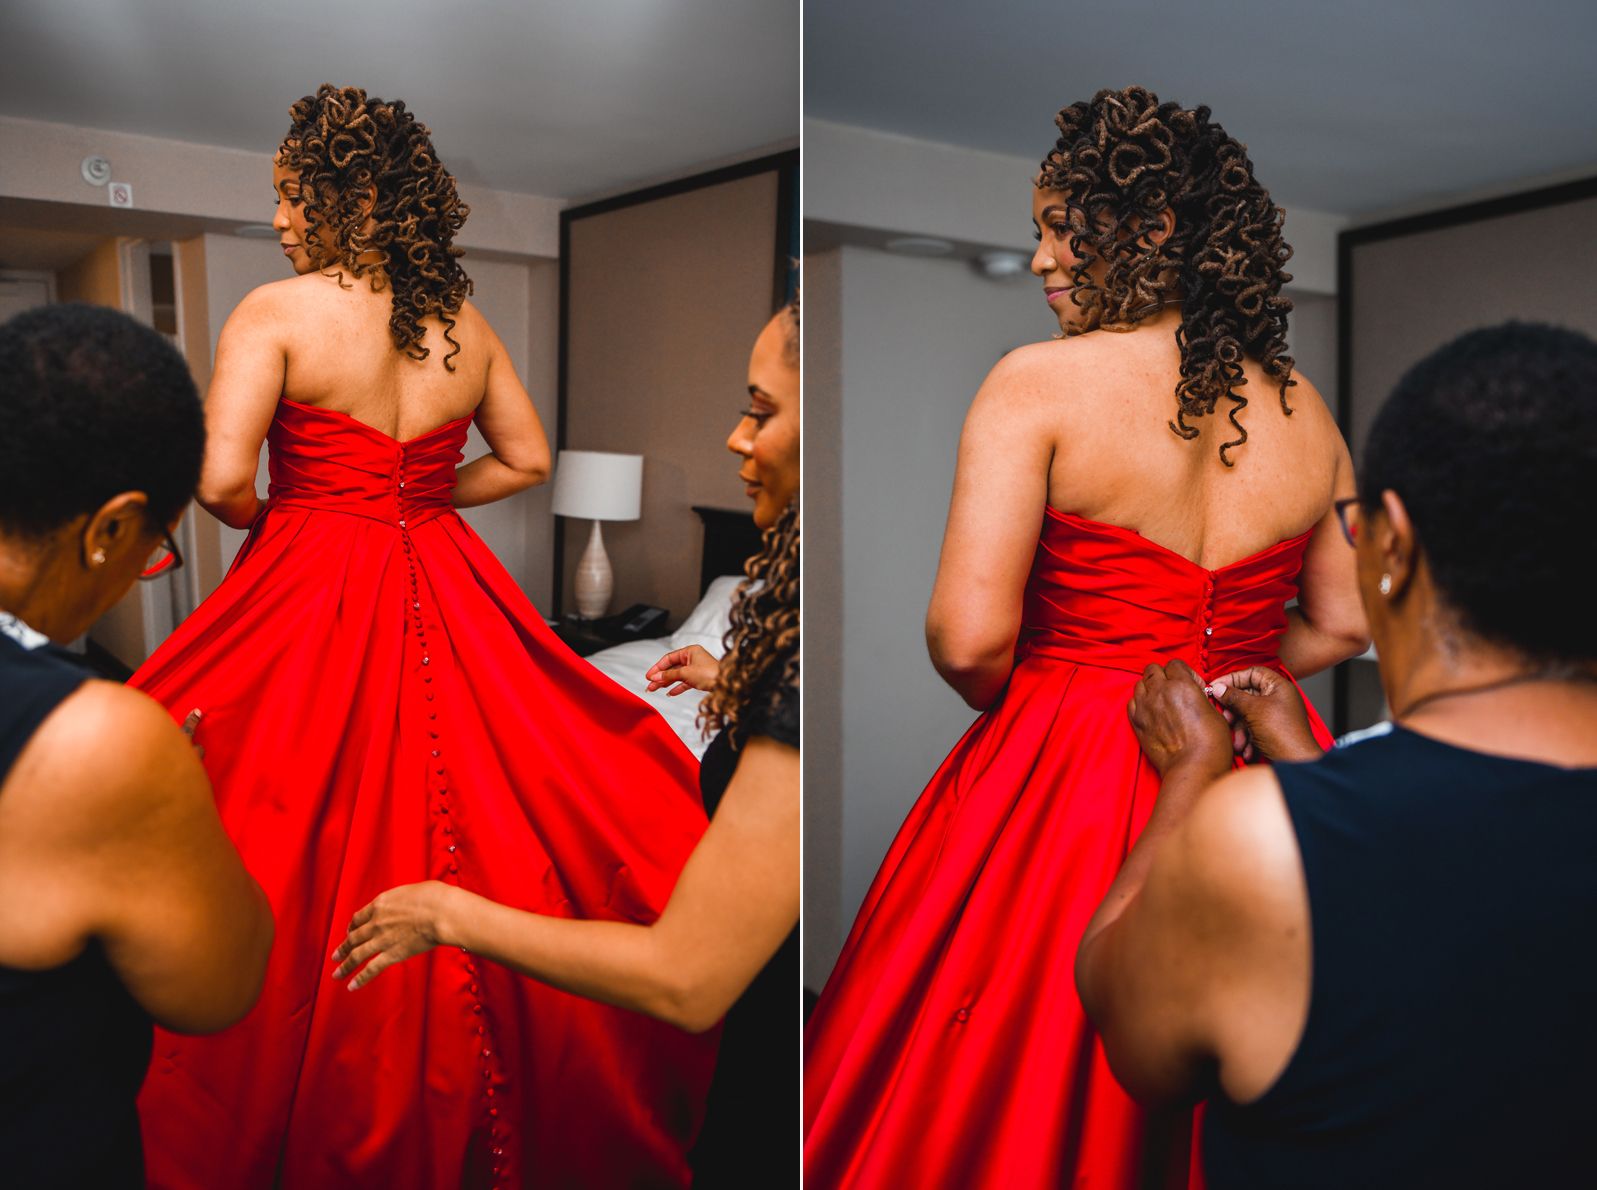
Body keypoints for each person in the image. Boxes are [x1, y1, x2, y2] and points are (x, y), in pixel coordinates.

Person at [130, 85, 715, 1189]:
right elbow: (528, 459)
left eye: (292, 197)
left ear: (350, 198)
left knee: (266, 788)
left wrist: (291, 513)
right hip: (438, 563)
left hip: (312, 564)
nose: (279, 220)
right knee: (487, 778)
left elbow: (218, 481)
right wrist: (422, 500)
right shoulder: (463, 326)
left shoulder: (275, 311)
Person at [803, 85, 1369, 1188]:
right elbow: (1345, 620)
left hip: (1072, 751)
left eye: (1061, 229)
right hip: (1254, 753)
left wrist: (1063, 701)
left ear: (1149, 229)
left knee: (1016, 1047)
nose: (1039, 259)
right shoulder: (1309, 412)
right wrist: (1227, 678)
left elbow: (967, 639)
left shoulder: (1037, 384)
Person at [1082, 321, 1597, 1189]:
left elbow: (1129, 1029)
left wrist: (1192, 775)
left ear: (1391, 544)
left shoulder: (1258, 841)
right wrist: (1301, 760)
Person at [333, 298, 801, 1188]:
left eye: (762, 410)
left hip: (760, 1048)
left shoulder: (799, 675)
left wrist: (446, 914)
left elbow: (683, 977)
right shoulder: (787, 647)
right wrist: (734, 678)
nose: (736, 438)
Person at [0, 304, 273, 1186]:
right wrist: (171, 799)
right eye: (156, 547)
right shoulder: (93, 738)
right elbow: (218, 989)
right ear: (112, 528)